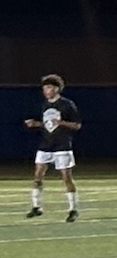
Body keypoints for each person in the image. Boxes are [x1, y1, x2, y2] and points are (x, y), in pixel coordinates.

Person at [25, 75, 82, 221]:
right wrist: (36, 124)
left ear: (57, 89)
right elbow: (48, 124)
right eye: (44, 88)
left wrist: (62, 123)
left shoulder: (67, 104)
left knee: (66, 177)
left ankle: (73, 209)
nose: (46, 90)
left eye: (49, 87)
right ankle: (36, 206)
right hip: (46, 145)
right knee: (37, 175)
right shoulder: (45, 105)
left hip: (62, 146)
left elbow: (77, 125)